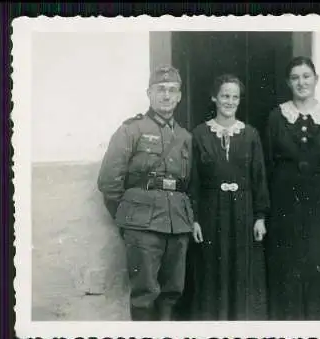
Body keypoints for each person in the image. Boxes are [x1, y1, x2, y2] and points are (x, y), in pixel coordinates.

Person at [97, 65, 194, 321]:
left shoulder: (185, 136)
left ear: (180, 96)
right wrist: (128, 217)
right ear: (149, 93)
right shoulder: (132, 130)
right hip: (142, 225)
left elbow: (189, 182)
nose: (166, 95)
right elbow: (109, 180)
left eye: (172, 90)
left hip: (177, 224)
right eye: (160, 89)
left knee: (173, 291)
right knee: (145, 293)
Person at [264, 56, 320, 321]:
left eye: (306, 76)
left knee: (318, 265)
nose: (302, 82)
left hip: (318, 204)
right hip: (283, 203)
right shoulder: (277, 116)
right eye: (296, 77)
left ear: (316, 80)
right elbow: (265, 164)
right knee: (286, 266)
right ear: (289, 82)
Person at [187, 74, 270, 321]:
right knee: (212, 271)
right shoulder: (200, 134)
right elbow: (194, 180)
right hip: (212, 213)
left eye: (235, 96)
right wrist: (195, 219)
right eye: (225, 95)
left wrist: (260, 217)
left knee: (242, 271)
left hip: (243, 213)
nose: (230, 101)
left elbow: (259, 178)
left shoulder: (251, 134)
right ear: (214, 97)